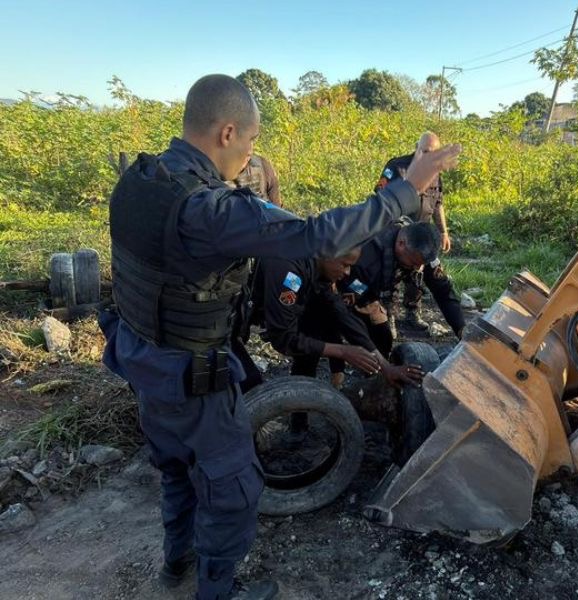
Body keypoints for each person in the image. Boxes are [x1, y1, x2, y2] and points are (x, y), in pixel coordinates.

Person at [99, 74, 460, 600]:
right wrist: (409, 189)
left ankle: (177, 563)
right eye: (250, 141)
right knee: (234, 487)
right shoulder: (208, 209)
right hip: (190, 373)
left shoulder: (139, 180)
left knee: (176, 466)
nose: (250, 155)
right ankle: (217, 592)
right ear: (227, 132)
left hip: (139, 358)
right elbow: (315, 235)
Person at [247, 248, 424, 391]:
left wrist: (385, 365)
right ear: (327, 254)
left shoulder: (318, 266)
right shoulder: (290, 273)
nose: (347, 273)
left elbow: (341, 313)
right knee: (250, 383)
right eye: (345, 265)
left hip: (273, 309)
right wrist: (342, 351)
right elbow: (283, 338)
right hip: (237, 315)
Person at [340, 220, 465, 359]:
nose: (417, 268)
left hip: (376, 285)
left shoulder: (420, 254)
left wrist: (461, 329)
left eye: (421, 265)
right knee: (372, 338)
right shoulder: (368, 257)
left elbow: (443, 291)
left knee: (383, 343)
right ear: (401, 244)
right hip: (354, 286)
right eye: (414, 263)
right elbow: (349, 298)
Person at [376, 132, 454, 332]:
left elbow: (438, 203)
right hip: (397, 234)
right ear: (416, 147)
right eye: (425, 151)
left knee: (417, 276)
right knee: (390, 276)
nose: (429, 156)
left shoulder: (435, 172)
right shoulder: (397, 166)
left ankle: (412, 312)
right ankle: (389, 317)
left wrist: (443, 232)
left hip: (422, 233)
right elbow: (380, 194)